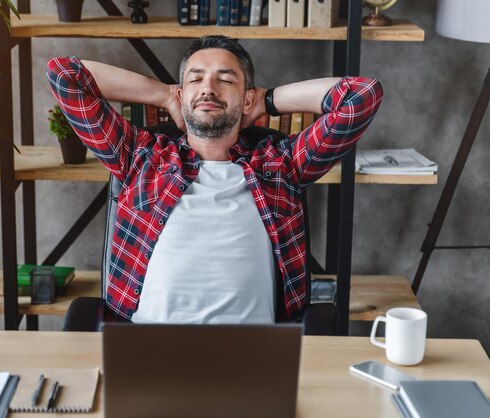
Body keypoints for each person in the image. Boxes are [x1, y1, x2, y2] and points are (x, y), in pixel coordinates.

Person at [46, 35, 383, 324]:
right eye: (196, 78)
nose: (208, 88)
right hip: (148, 347)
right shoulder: (141, 157)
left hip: (254, 353)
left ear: (246, 98)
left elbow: (360, 97)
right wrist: (164, 95)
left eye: (225, 79)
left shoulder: (282, 165)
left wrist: (268, 101)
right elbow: (65, 74)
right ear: (182, 95)